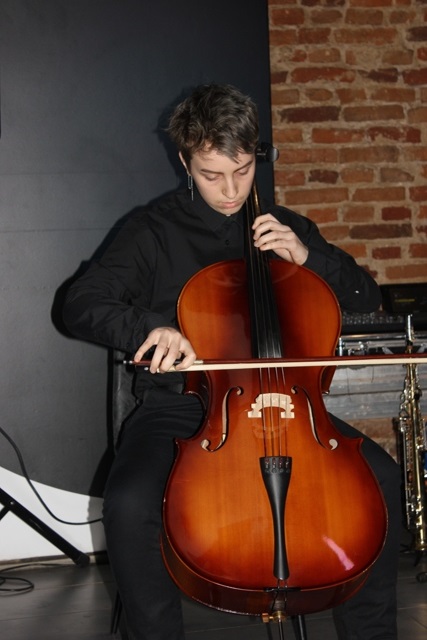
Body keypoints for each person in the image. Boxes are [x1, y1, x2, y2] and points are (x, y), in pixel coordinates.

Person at [62, 83, 402, 640]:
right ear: (185, 162)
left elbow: (366, 298)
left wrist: (307, 257)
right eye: (211, 174)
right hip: (181, 411)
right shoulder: (152, 231)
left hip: (293, 410)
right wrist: (148, 327)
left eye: (242, 172)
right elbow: (79, 303)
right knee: (128, 504)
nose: (229, 190)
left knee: (381, 480)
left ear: (256, 155)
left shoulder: (287, 226)